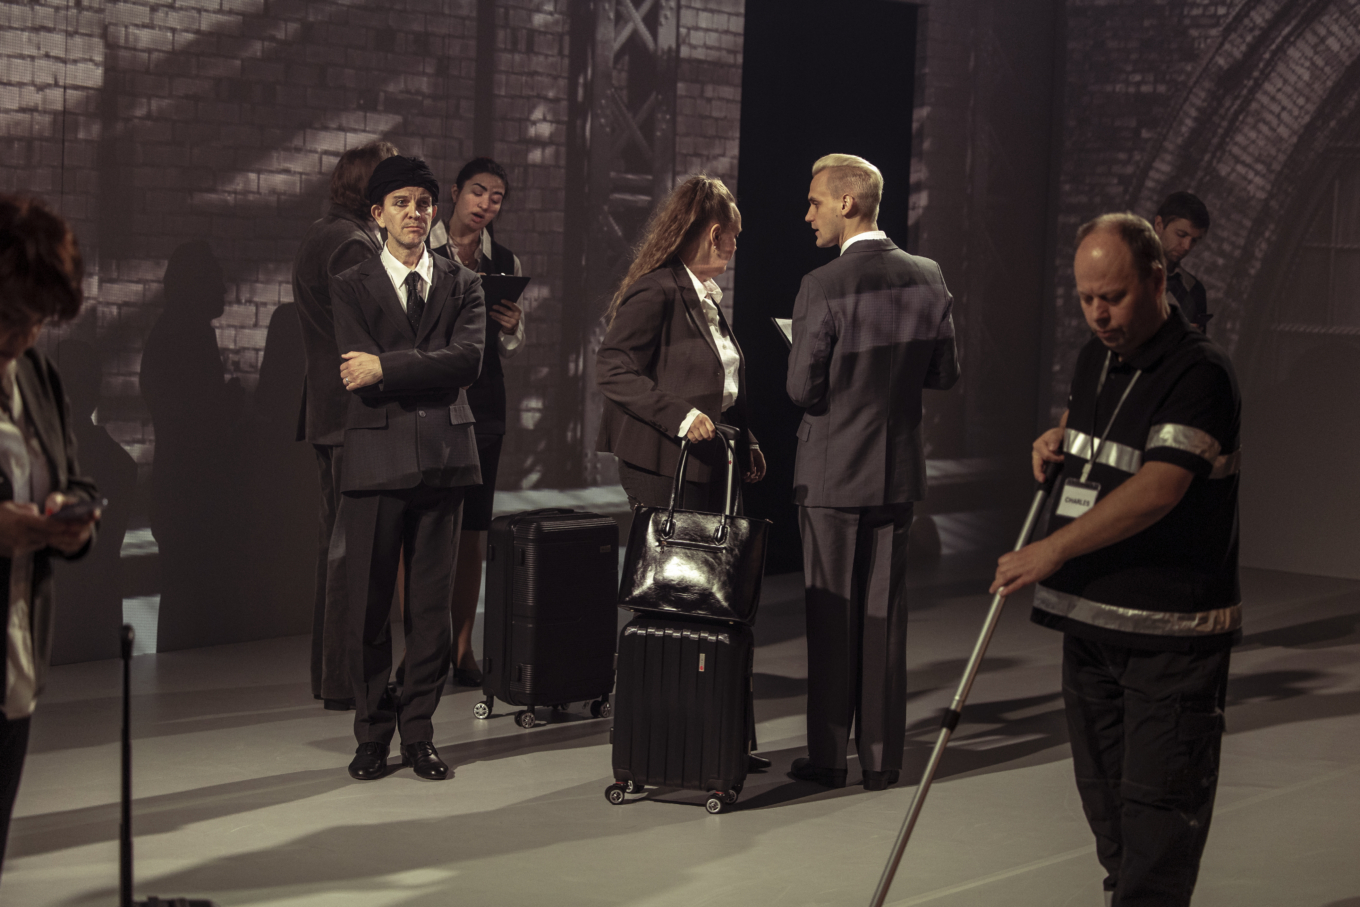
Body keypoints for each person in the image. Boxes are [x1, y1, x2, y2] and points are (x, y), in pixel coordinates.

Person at [991, 213, 1240, 907]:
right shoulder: (1095, 358)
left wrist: (1050, 549)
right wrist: (1058, 440)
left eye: (1114, 296)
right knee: (1107, 809)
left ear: (1157, 282)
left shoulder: (1200, 371)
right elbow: (1100, 437)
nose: (1098, 314)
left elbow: (1160, 487)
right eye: (1086, 297)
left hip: (1169, 635)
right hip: (1089, 620)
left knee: (1159, 813)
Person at [786, 154, 959, 791]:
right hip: (896, 473)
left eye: (815, 202)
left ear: (848, 203)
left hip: (833, 474)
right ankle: (883, 761)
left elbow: (802, 389)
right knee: (885, 618)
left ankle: (830, 759)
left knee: (832, 616)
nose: (808, 214)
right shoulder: (928, 275)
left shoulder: (822, 284)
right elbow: (944, 373)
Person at [595, 174, 769, 771]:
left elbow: (722, 381)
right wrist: (682, 416)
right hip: (661, 466)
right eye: (733, 237)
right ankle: (661, 740)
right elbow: (613, 369)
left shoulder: (703, 295)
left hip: (710, 465)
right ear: (714, 233)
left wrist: (745, 438)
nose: (736, 248)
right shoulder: (658, 290)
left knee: (710, 604)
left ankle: (709, 738)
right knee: (672, 604)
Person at [329, 156, 486, 782]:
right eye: (401, 203)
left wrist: (388, 367)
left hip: (445, 459)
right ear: (378, 214)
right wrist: (424, 365)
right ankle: (372, 734)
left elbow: (468, 362)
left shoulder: (463, 282)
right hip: (376, 460)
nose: (414, 213)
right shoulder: (351, 283)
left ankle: (419, 733)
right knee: (368, 609)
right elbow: (355, 371)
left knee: (430, 611)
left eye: (423, 203)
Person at [0, 195, 101, 873]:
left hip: (17, 655)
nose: (25, 336)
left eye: (38, 321)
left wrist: (72, 517)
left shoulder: (36, 374)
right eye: (12, 317)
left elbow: (74, 478)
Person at [292, 140, 398, 709]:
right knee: (349, 553)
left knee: (335, 549)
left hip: (331, 413)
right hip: (352, 414)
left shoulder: (323, 232)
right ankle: (345, 681)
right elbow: (371, 327)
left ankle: (332, 677)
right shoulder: (351, 243)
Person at [429, 157, 524, 686]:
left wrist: (511, 326)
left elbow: (508, 346)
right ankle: (422, 651)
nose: (486, 203)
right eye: (478, 191)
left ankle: (463, 649)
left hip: (485, 406)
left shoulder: (504, 260)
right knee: (423, 533)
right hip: (430, 403)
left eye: (496, 197)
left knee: (472, 532)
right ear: (456, 192)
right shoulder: (422, 248)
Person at [1152, 191, 1211, 333]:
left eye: (1194, 240)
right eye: (1181, 234)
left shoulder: (1195, 290)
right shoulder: (1124, 270)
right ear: (1159, 225)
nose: (1186, 246)